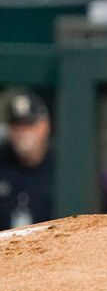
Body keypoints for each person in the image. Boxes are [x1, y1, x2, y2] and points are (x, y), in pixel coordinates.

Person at [0, 89, 54, 230]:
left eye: (28, 125)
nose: (22, 133)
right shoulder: (3, 163)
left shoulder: (62, 166)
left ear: (44, 126)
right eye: (17, 126)